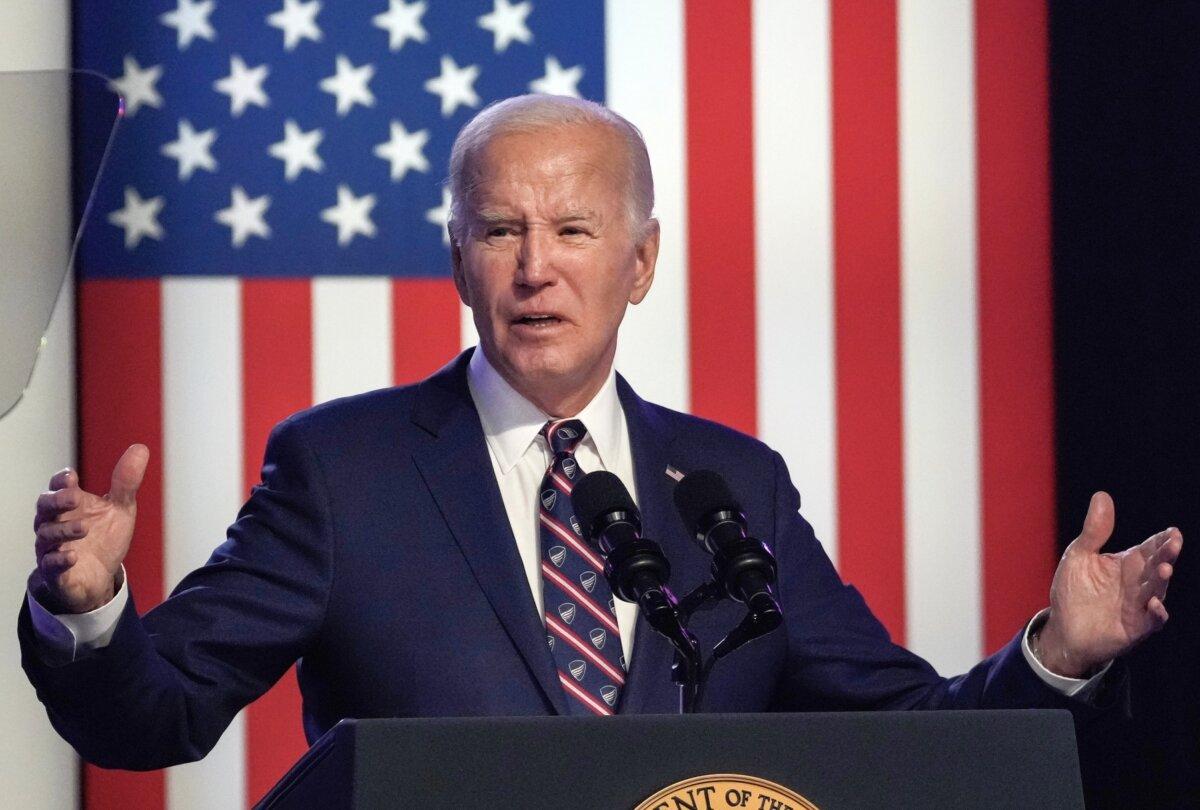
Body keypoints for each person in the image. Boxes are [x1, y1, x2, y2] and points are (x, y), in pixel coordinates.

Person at [21, 95, 1182, 770]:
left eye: (574, 229)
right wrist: (90, 609)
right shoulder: (341, 470)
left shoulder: (734, 486)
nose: (536, 269)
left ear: (639, 264)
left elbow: (908, 736)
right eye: (498, 231)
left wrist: (1058, 657)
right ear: (456, 262)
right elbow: (154, 713)